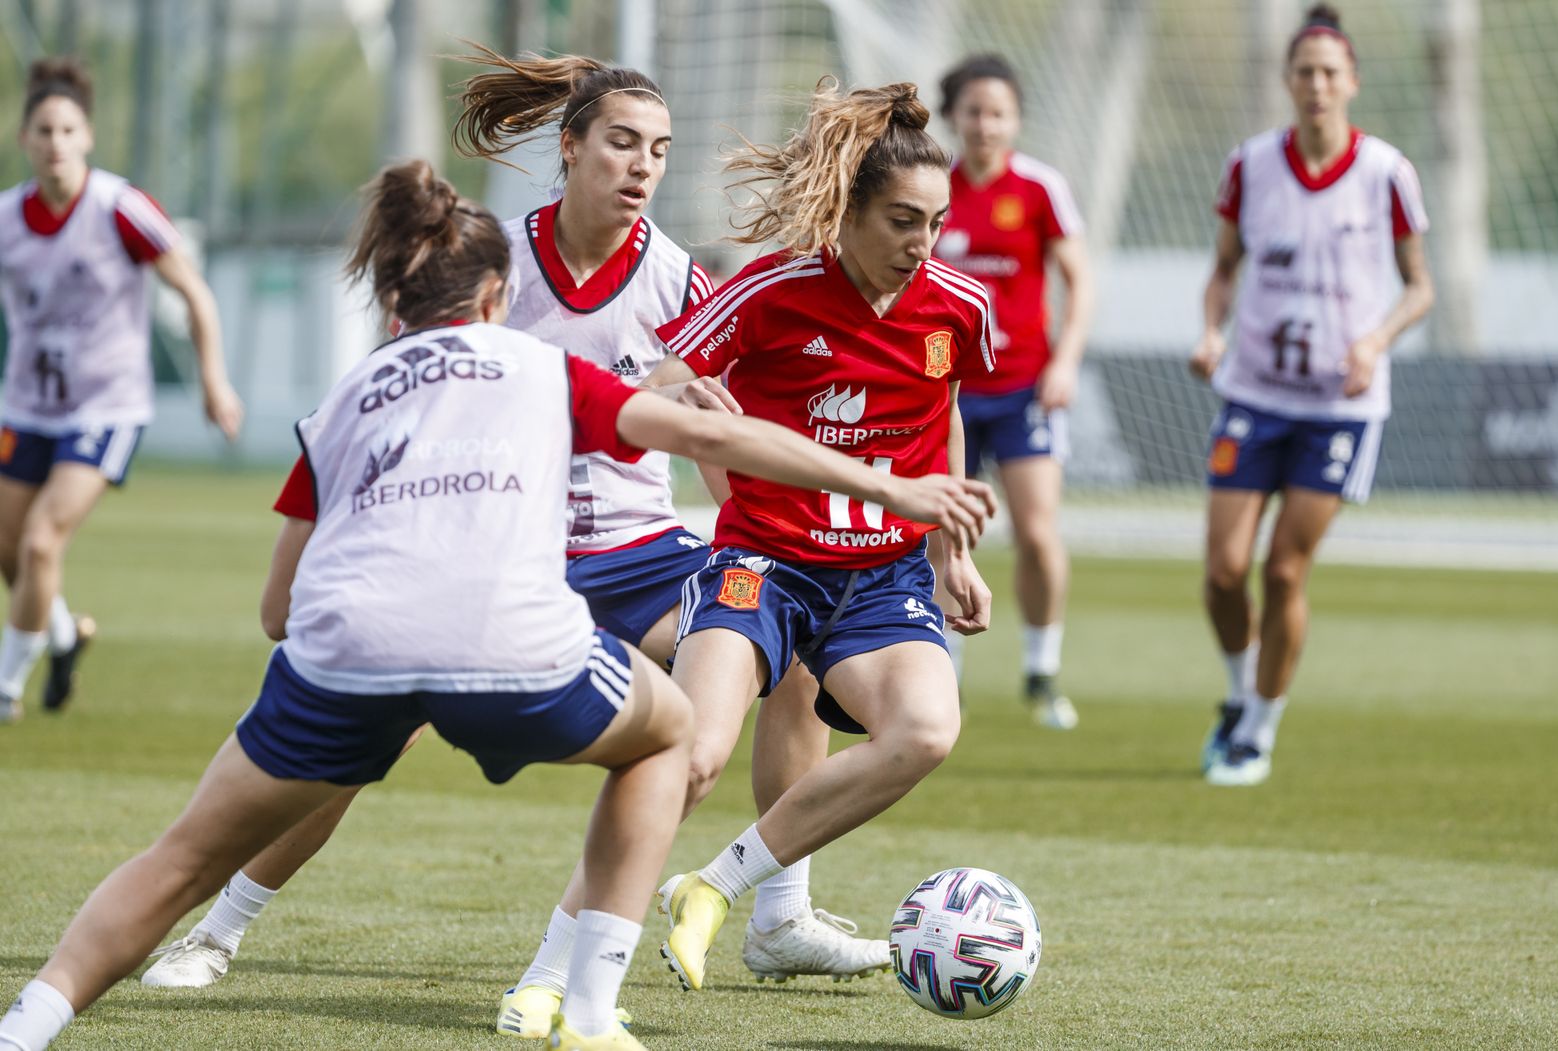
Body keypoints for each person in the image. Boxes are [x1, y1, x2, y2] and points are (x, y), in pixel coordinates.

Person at [0, 159, 990, 1051]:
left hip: (359, 645)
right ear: (495, 292)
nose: (641, 162)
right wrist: (893, 490)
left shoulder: (347, 397)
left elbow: (276, 606)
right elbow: (725, 440)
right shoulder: (542, 363)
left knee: (180, 852)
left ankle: (31, 1021)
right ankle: (590, 1009)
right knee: (670, 734)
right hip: (514, 634)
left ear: (392, 300)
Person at [139, 47, 896, 1031]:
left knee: (771, 646)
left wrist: (766, 542)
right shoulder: (489, 264)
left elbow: (720, 437)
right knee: (373, 728)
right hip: (493, 552)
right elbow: (392, 405)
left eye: (659, 151)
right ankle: (218, 928)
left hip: (639, 552)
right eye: (621, 143)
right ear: (570, 146)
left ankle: (777, 911)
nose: (641, 167)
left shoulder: (678, 282)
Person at [640, 78, 999, 993]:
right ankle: (564, 962)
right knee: (695, 750)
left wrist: (950, 549)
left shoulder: (956, 306)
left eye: (936, 222)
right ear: (846, 212)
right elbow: (666, 381)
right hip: (765, 561)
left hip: (881, 576)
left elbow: (943, 410)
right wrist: (693, 411)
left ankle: (715, 889)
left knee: (924, 730)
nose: (922, 246)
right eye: (901, 221)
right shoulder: (770, 287)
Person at [1191, 4, 1433, 787]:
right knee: (1225, 570)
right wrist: (1211, 330)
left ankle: (1258, 731)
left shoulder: (1386, 172)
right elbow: (1224, 267)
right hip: (1255, 393)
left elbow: (1420, 286)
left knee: (1285, 572)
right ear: (1288, 82)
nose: (1318, 85)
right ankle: (1237, 692)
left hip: (1339, 405)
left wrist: (1374, 341)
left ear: (1352, 81)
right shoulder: (1251, 165)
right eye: (1305, 72)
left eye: (1331, 72)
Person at [0, 57, 243, 724]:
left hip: (105, 406)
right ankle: (61, 634)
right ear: (25, 139)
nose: (55, 142)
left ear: (87, 136)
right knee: (11, 551)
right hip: (26, 404)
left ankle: (5, 690)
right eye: (43, 130)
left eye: (67, 129)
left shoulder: (118, 207)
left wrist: (212, 380)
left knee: (43, 542)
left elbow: (193, 291)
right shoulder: (7, 220)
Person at [933, 54, 1095, 730]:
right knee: (942, 532)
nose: (985, 124)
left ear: (1016, 119)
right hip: (946, 391)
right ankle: (944, 673)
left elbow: (1079, 281)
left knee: (1035, 531)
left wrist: (1066, 362)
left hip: (1025, 385)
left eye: (998, 111)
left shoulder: (1039, 188)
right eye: (973, 111)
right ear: (954, 117)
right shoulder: (929, 185)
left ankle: (1040, 668)